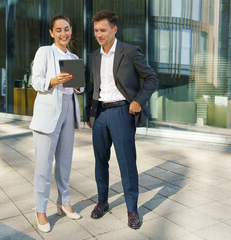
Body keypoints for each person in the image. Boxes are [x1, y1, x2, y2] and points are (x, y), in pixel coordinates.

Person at [85, 10, 158, 230]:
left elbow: (152, 78)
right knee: (100, 162)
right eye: (96, 30)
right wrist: (89, 114)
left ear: (114, 29)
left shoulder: (129, 51)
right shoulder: (93, 56)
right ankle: (102, 201)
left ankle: (132, 209)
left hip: (121, 113)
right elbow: (91, 88)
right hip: (99, 115)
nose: (99, 34)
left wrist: (138, 101)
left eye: (103, 30)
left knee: (127, 164)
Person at [30, 15, 83, 233]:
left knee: (64, 162)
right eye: (59, 30)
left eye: (67, 29)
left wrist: (79, 85)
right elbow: (36, 81)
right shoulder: (45, 51)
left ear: (71, 31)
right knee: (43, 167)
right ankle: (40, 210)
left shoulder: (74, 56)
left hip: (68, 108)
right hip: (48, 112)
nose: (64, 34)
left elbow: (78, 88)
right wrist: (53, 81)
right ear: (51, 33)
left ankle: (64, 201)